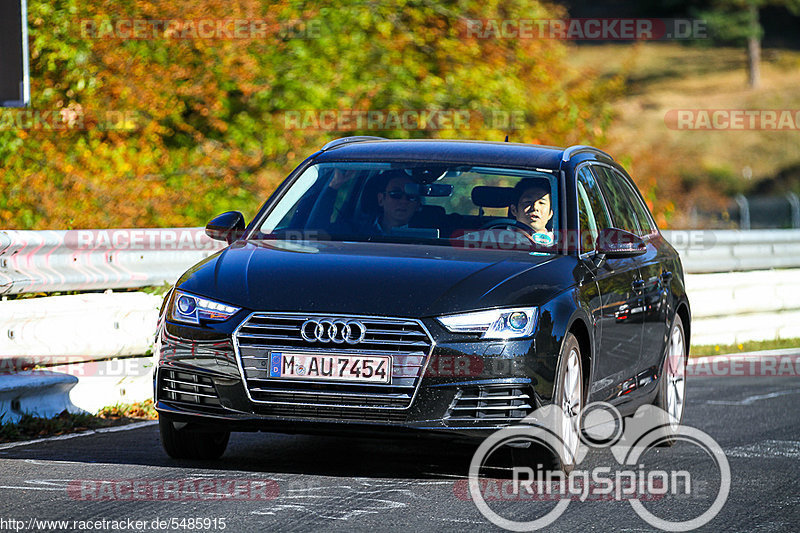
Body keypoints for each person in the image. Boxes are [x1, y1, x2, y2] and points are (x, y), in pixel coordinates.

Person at [509, 178, 554, 244]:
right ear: (514, 210)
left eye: (541, 203)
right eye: (528, 202)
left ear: (550, 213)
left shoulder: (558, 243)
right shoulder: (498, 238)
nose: (535, 207)